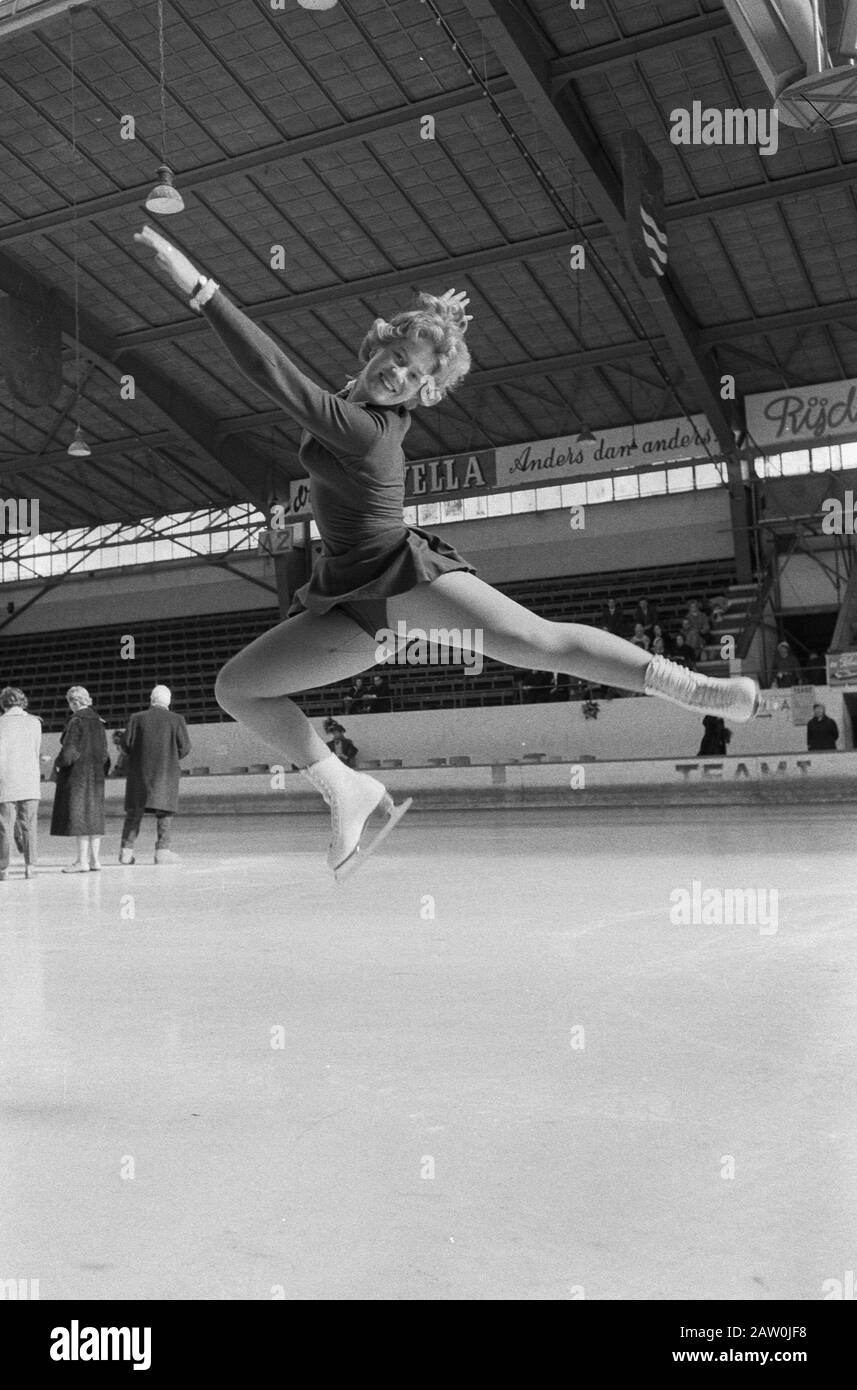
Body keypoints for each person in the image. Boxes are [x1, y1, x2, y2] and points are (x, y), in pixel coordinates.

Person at [134, 225, 770, 882]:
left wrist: (198, 287)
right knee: (237, 688)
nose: (398, 372)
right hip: (348, 600)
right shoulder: (357, 398)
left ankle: (693, 688)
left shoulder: (366, 429)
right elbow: (329, 382)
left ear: (422, 390)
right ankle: (343, 787)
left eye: (414, 372)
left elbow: (272, 373)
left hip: (401, 578)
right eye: (396, 354)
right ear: (377, 344)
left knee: (537, 641)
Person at [119, 685, 191, 865]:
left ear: (151, 699)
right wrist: (171, 757)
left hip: (139, 774)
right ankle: (162, 852)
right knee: (165, 812)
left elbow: (125, 745)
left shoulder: (136, 718)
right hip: (166, 774)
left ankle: (126, 852)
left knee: (134, 813)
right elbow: (185, 747)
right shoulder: (177, 719)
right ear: (168, 701)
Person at [50, 685, 110, 872]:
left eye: (70, 702)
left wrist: (58, 762)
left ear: (74, 701)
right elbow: (105, 755)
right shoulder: (99, 722)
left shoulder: (76, 721)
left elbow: (69, 753)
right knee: (94, 818)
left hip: (77, 777)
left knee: (80, 818)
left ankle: (82, 862)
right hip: (96, 777)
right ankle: (95, 861)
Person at [0, 686, 42, 881]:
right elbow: (35, 750)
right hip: (29, 779)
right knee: (29, 825)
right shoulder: (35, 722)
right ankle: (30, 867)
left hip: (5, 780)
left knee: (4, 827)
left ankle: (3, 869)